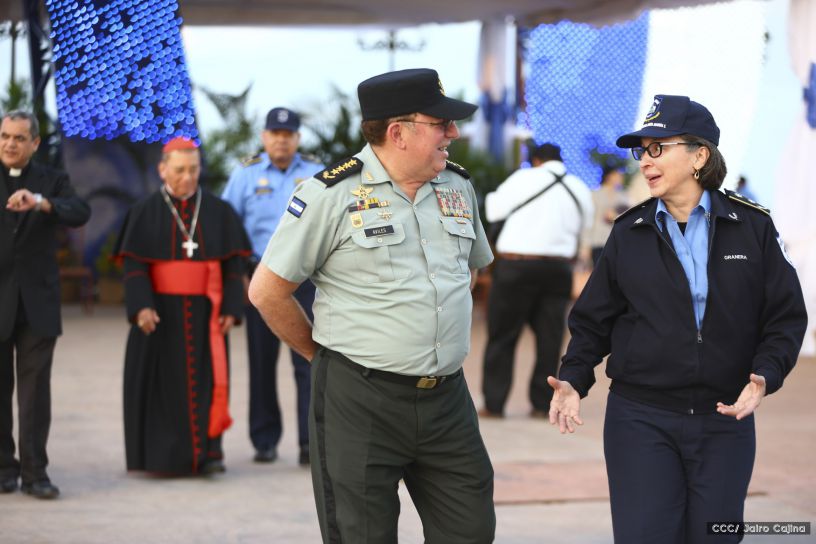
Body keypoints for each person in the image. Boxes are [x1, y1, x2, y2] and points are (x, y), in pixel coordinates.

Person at [248, 68, 496, 543]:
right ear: (398, 133)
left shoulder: (457, 187)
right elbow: (267, 291)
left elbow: (471, 266)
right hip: (359, 400)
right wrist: (321, 359)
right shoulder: (330, 195)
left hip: (446, 400)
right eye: (441, 123)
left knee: (471, 529)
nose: (454, 133)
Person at [547, 94, 808, 543]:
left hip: (726, 420)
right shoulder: (630, 232)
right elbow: (593, 320)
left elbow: (785, 317)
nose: (645, 162)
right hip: (641, 420)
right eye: (641, 151)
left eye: (657, 148)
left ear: (699, 156)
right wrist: (574, 378)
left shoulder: (752, 227)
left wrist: (766, 374)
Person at [113, 137, 251, 476]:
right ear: (163, 170)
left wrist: (231, 309)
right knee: (161, 387)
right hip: (159, 316)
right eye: (179, 170)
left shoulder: (219, 211)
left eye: (193, 169)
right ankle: (162, 458)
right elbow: (134, 267)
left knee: (208, 381)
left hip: (206, 314)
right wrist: (141, 307)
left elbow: (234, 267)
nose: (187, 177)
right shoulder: (144, 211)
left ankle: (209, 454)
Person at [221, 107, 323, 465]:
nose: (281, 140)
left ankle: (311, 441)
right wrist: (238, 274)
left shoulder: (316, 174)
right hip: (261, 278)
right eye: (275, 134)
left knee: (310, 358)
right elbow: (228, 228)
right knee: (261, 361)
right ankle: (264, 439)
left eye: (288, 134)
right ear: (264, 137)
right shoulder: (245, 175)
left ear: (297, 139)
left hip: (308, 280)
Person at [0, 110, 91, 499]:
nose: (9, 144)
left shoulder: (52, 181)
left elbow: (79, 212)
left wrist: (40, 203)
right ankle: (4, 469)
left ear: (35, 143)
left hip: (38, 303)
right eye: (4, 136)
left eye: (19, 138)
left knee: (35, 392)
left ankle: (36, 474)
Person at [480, 142, 593, 418]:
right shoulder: (579, 187)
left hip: (516, 266)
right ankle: (542, 406)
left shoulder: (523, 178)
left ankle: (495, 405)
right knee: (550, 339)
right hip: (558, 270)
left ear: (536, 160)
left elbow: (493, 211)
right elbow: (585, 227)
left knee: (502, 336)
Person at [588, 165, 630, 266]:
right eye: (618, 175)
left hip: (617, 241)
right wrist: (585, 246)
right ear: (609, 176)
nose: (621, 178)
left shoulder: (624, 196)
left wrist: (616, 216)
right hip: (598, 240)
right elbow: (589, 220)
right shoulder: (594, 194)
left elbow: (630, 216)